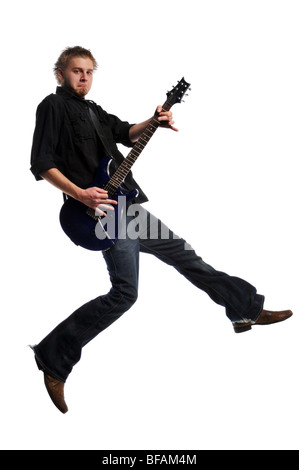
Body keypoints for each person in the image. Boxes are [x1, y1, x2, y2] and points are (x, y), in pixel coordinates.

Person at [30, 46, 293, 414]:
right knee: (125, 293)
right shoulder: (52, 107)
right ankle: (52, 357)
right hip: (99, 213)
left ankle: (243, 308)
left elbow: (126, 133)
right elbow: (41, 163)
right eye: (76, 71)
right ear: (60, 74)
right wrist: (80, 194)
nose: (84, 78)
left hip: (127, 207)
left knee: (186, 256)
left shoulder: (93, 111)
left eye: (89, 72)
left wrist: (154, 120)